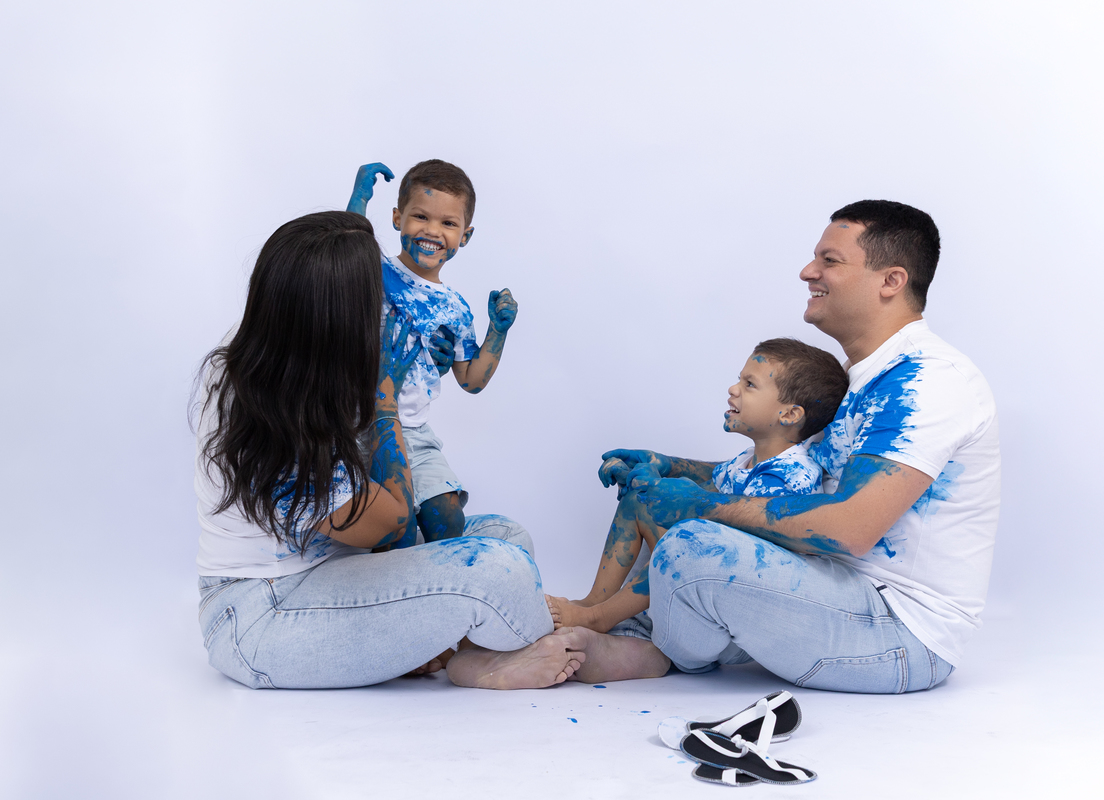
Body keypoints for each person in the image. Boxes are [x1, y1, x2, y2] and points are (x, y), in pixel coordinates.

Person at [589, 200, 1000, 693]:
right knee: (664, 495)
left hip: (900, 634)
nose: (809, 272)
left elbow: (850, 529)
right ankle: (614, 630)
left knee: (691, 542)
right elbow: (782, 471)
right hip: (831, 591)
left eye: (831, 261)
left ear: (890, 281)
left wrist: (697, 506)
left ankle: (649, 647)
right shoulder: (865, 379)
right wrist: (670, 467)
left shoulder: (928, 380)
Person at [193, 210, 587, 690]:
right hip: (264, 614)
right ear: (337, 320)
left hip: (335, 565)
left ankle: (447, 650)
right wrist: (384, 402)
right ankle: (548, 643)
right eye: (377, 302)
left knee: (506, 537)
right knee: (497, 568)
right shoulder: (275, 409)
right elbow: (393, 519)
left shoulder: (280, 353)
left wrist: (424, 368)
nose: (388, 307)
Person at [545, 338, 847, 634]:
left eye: (750, 385)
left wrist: (665, 491)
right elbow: (707, 487)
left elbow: (731, 539)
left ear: (789, 414)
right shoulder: (750, 460)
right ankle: (595, 601)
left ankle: (599, 617)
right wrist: (648, 476)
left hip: (745, 598)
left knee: (684, 543)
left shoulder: (790, 476)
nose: (733, 389)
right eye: (738, 381)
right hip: (720, 574)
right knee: (640, 500)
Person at [345, 160, 518, 546]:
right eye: (420, 217)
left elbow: (471, 380)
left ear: (465, 236)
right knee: (390, 529)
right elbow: (344, 246)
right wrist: (359, 196)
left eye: (448, 224)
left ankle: (431, 581)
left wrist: (498, 331)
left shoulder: (455, 309)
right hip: (353, 425)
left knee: (448, 520)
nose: (432, 231)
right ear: (396, 218)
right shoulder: (375, 269)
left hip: (414, 433)